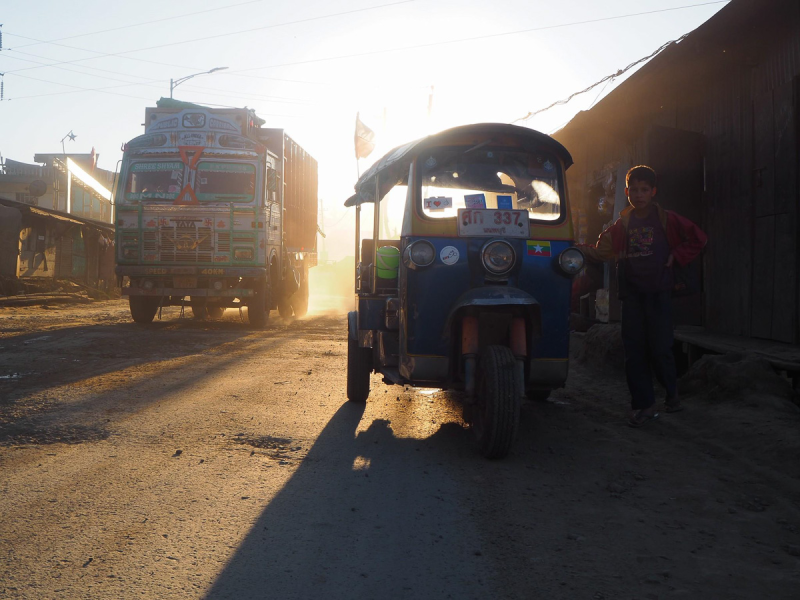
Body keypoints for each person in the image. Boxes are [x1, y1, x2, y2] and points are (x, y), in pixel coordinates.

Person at [579, 165, 707, 427]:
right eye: (634, 190)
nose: (639, 195)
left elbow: (699, 238)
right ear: (626, 192)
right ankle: (644, 406)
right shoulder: (622, 224)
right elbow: (601, 251)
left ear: (653, 192)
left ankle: (672, 395)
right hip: (632, 296)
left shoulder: (667, 219)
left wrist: (677, 256)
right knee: (634, 351)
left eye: (644, 190)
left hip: (659, 293)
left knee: (661, 349)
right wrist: (574, 249)